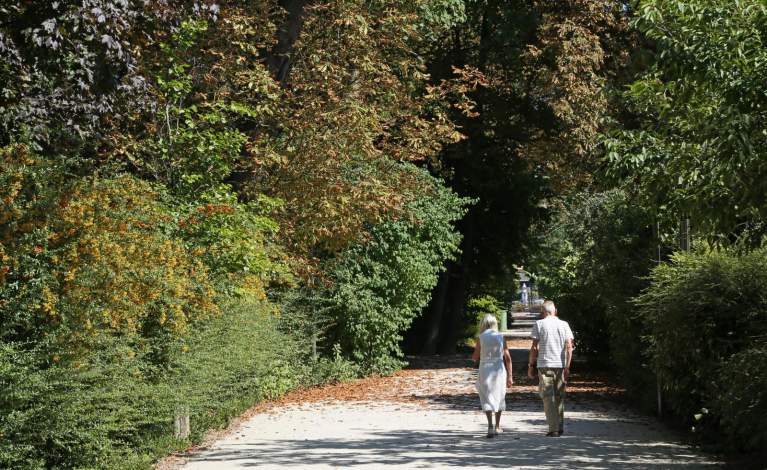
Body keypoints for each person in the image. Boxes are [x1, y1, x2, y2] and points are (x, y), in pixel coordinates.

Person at [527, 300, 574, 437]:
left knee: (548, 397)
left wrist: (531, 365)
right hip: (560, 365)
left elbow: (534, 347)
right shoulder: (564, 324)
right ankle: (559, 427)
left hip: (544, 364)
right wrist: (567, 367)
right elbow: (569, 347)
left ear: (543, 312)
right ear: (555, 311)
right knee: (559, 396)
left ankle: (553, 429)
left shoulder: (539, 324)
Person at [472, 314, 514, 438]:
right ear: (495, 324)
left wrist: (476, 357)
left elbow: (475, 356)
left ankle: (490, 426)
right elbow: (508, 358)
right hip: (499, 369)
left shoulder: (480, 338)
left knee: (487, 396)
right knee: (500, 395)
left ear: (483, 324)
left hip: (485, 368)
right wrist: (510, 376)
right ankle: (497, 426)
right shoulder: (501, 337)